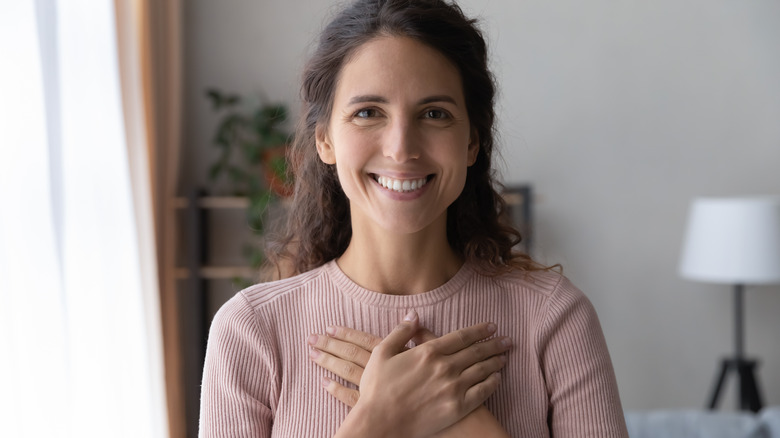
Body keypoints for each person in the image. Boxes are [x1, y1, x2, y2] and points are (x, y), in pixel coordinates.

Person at [199, 0, 629, 437]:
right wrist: (376, 421)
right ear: (325, 139)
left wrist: (470, 425)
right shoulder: (252, 330)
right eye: (368, 112)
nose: (401, 148)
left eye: (434, 114)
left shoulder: (554, 317)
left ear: (472, 143)